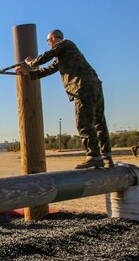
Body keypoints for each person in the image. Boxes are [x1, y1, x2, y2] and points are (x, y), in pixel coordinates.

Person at [15, 30, 113, 169]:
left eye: (48, 41)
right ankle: (107, 158)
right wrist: (29, 74)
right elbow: (49, 69)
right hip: (94, 85)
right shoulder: (63, 55)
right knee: (99, 122)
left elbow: (45, 57)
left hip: (82, 86)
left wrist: (31, 63)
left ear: (54, 39)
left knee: (84, 123)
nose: (49, 45)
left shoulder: (65, 44)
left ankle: (94, 157)